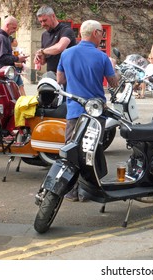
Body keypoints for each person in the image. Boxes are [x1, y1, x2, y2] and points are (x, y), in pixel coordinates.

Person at [57, 20, 118, 202]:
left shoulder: (66, 53)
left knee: (72, 150)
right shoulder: (101, 57)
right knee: (91, 151)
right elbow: (113, 82)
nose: (102, 38)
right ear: (96, 34)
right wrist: (113, 69)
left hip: (74, 111)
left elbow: (60, 79)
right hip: (95, 113)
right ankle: (88, 190)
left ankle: (71, 190)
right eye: (101, 34)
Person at [34, 5, 76, 72]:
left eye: (45, 20)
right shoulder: (44, 35)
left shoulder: (66, 30)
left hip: (67, 74)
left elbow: (60, 47)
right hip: (51, 76)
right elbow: (44, 61)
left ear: (53, 16)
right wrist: (39, 57)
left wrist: (42, 51)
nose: (42, 24)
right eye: (40, 22)